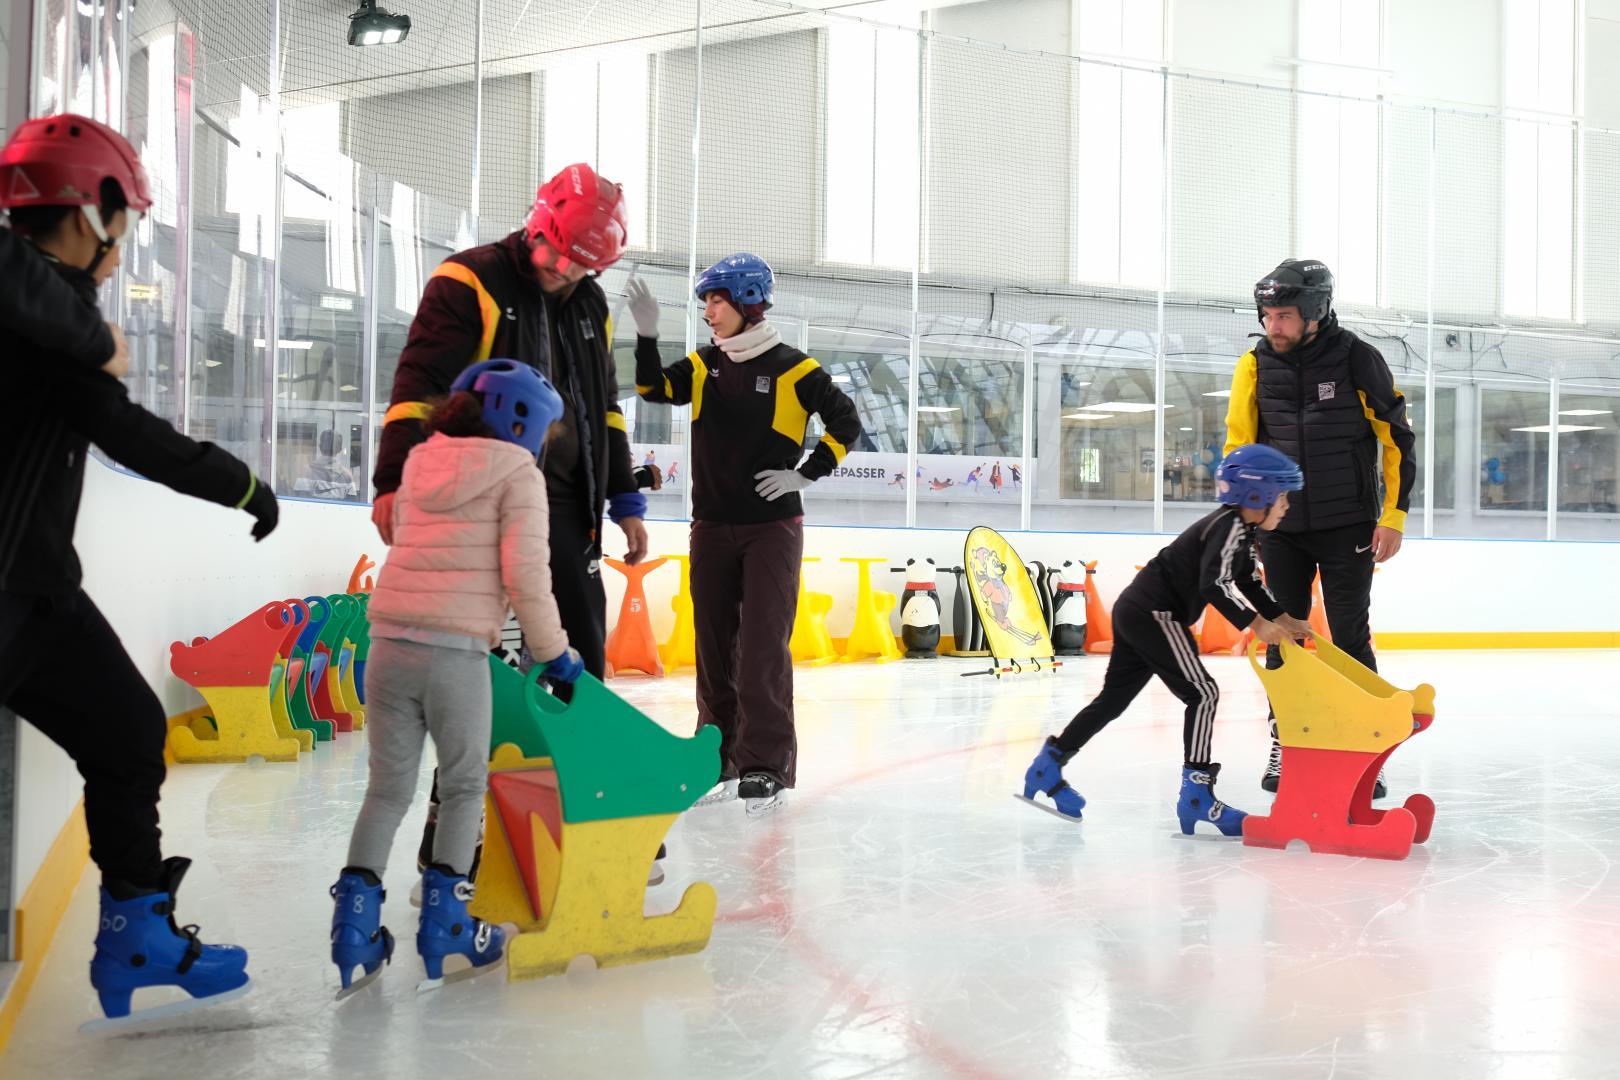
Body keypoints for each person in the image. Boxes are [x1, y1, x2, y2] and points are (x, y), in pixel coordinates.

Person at [0, 113, 279, 1029]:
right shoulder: (41, 312)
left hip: (34, 591)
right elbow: (131, 436)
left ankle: (136, 932)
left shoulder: (44, 310)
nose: (123, 245)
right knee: (122, 734)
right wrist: (240, 483)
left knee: (125, 730)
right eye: (125, 217)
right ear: (90, 211)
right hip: (14, 592)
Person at [330, 359, 584, 995]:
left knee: (386, 791)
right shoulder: (518, 474)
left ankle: (352, 932)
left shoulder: (420, 460)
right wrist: (557, 652)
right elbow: (527, 576)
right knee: (467, 784)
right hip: (455, 653)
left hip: (386, 645)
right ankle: (447, 928)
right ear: (521, 422)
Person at [628, 254, 861, 817]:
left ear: (748, 299)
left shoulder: (794, 368)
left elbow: (847, 422)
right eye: (705, 301)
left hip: (771, 530)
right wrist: (646, 334)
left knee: (760, 649)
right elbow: (652, 389)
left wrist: (805, 473)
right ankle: (718, 760)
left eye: (716, 299)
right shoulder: (704, 365)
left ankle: (765, 766)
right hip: (709, 526)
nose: (708, 311)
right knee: (713, 650)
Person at [1019, 445, 1314, 834]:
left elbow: (1245, 580)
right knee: (1203, 693)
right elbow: (1215, 584)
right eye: (1283, 497)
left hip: (1135, 609)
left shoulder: (1238, 530)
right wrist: (1254, 623)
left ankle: (1049, 764)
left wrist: (1282, 617)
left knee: (1113, 700)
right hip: (1156, 614)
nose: (1287, 506)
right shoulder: (1229, 528)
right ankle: (1197, 795)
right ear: (1256, 495)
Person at [1225, 259, 1415, 797]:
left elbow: (1397, 438)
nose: (1272, 326)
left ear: (1314, 312)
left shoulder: (1358, 358)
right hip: (1281, 528)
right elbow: (1240, 446)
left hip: (1347, 524)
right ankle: (1286, 742)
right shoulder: (1254, 365)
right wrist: (1245, 521)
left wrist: (1393, 516)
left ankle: (1365, 748)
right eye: (1266, 315)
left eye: (1283, 315)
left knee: (1351, 636)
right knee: (1283, 632)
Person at [306, 428, 358, 500]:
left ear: (320, 446)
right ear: (340, 449)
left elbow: (297, 500)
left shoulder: (307, 472)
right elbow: (353, 504)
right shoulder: (346, 476)